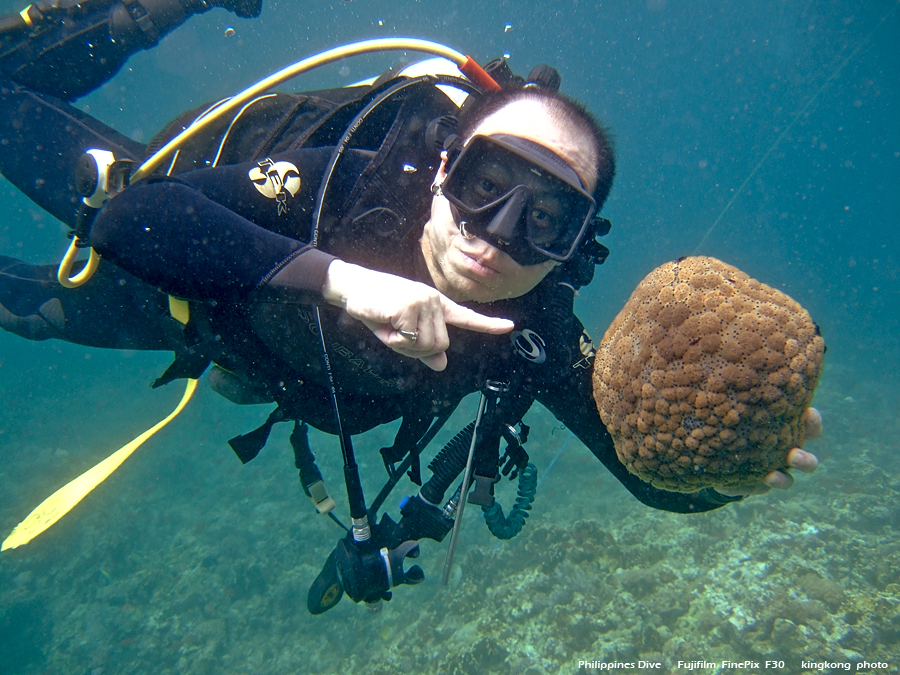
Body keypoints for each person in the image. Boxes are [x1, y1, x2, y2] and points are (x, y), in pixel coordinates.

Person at [0, 0, 820, 612]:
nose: (494, 237)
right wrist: (343, 279)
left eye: (545, 219)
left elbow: (645, 471)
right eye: (486, 184)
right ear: (440, 169)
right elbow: (132, 220)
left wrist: (733, 466)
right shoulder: (353, 184)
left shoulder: (525, 332)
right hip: (196, 278)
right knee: (36, 285)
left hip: (251, 360)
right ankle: (143, 13)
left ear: (575, 245)